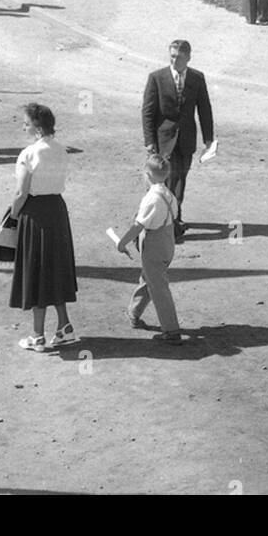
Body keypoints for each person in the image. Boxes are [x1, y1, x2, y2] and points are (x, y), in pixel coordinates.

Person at [9, 101, 78, 351]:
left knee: (37, 272)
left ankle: (37, 335)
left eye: (26, 122)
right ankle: (65, 326)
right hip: (57, 212)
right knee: (56, 269)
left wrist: (13, 216)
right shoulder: (62, 150)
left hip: (35, 214)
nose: (23, 126)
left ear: (37, 126)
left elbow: (20, 192)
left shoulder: (28, 153)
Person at [141, 40, 215, 239]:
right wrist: (149, 140)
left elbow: (204, 109)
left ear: (188, 58)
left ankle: (174, 216)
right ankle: (169, 223)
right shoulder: (157, 78)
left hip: (186, 140)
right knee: (168, 179)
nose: (175, 60)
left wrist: (208, 138)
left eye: (179, 57)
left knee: (181, 179)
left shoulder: (197, 78)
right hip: (163, 140)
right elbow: (148, 111)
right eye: (172, 56)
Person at [117, 155, 182, 342]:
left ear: (148, 175)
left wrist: (122, 243)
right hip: (167, 243)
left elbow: (138, 226)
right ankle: (134, 313)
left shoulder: (151, 198)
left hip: (154, 245)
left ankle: (171, 331)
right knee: (150, 278)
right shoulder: (169, 194)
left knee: (159, 287)